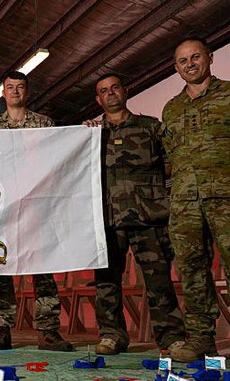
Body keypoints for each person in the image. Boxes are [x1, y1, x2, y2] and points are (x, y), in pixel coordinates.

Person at [160, 38, 230, 363]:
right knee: (191, 271)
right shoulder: (172, 109)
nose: (189, 64)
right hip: (186, 204)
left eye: (195, 57)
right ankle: (202, 338)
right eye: (182, 61)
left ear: (209, 58)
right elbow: (168, 154)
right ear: (176, 68)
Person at [83, 74, 186, 355]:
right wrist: (84, 135)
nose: (111, 93)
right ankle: (111, 336)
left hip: (148, 215)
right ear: (98, 99)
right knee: (106, 281)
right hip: (107, 218)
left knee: (158, 280)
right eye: (104, 91)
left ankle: (171, 338)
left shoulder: (150, 127)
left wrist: (147, 180)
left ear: (125, 90)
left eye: (115, 87)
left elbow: (173, 163)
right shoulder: (92, 134)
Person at [0, 71, 73, 352]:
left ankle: (48, 331)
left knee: (42, 269)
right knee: (1, 269)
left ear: (27, 91)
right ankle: (1, 329)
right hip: (3, 208)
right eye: (10, 87)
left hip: (36, 206)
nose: (15, 92)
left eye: (20, 87)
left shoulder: (44, 124)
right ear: (3, 92)